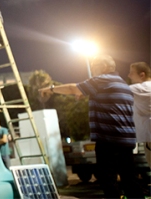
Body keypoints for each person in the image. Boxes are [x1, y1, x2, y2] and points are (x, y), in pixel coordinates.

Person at [39, 54, 145, 199]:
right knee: (129, 178)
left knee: (108, 178)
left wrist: (51, 89)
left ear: (105, 67)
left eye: (95, 65)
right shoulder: (121, 84)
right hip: (126, 140)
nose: (93, 69)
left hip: (108, 139)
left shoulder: (102, 80)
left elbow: (72, 88)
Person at [128, 61, 151, 166]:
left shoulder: (139, 88)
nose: (129, 76)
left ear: (142, 75)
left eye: (132, 73)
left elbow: (115, 90)